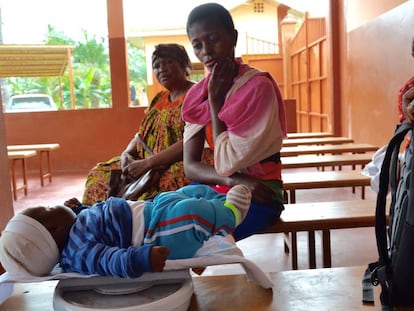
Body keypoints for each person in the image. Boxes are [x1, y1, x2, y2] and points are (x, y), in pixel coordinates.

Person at [181, 3, 287, 241]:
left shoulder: (257, 88)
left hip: (261, 197)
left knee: (189, 233)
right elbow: (191, 166)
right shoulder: (198, 96)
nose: (206, 51)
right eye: (197, 45)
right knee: (166, 209)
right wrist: (237, 179)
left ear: (233, 38)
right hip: (223, 188)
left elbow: (227, 162)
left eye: (213, 39)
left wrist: (217, 100)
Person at [0, 184, 251, 278]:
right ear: (53, 229)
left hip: (152, 211)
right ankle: (230, 215)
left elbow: (97, 221)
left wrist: (80, 208)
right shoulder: (77, 252)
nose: (54, 205)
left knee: (187, 192)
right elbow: (108, 260)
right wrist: (141, 258)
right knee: (190, 212)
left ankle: (219, 205)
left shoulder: (75, 225)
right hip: (154, 235)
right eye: (48, 208)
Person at [82, 43, 197, 205]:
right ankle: (101, 222)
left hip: (179, 161)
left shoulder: (197, 94)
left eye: (168, 62)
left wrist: (148, 163)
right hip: (144, 162)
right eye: (156, 66)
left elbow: (192, 140)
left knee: (167, 184)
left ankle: (133, 224)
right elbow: (142, 134)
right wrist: (126, 154)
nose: (162, 69)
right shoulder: (158, 99)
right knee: (99, 175)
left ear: (184, 64)